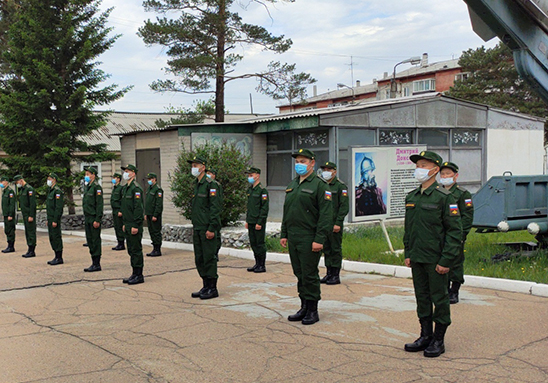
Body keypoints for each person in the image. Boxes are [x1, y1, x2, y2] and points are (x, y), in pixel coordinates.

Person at [403, 151, 462, 358]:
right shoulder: (412, 196)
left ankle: (439, 340)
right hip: (418, 257)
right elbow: (409, 228)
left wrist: (446, 260)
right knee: (422, 298)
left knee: (440, 298)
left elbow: (455, 232)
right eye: (418, 164)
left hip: (437, 260)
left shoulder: (446, 198)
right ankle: (425, 335)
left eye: (424, 165)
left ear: (435, 170)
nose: (419, 168)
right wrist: (408, 252)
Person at [280, 149, 332, 325]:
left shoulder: (320, 186)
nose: (299, 164)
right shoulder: (292, 184)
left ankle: (312, 310)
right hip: (294, 237)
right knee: (299, 273)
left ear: (312, 163)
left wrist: (319, 239)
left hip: (309, 238)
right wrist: (284, 233)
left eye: (303, 161)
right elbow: (287, 211)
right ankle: (303, 306)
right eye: (297, 161)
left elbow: (326, 216)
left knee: (309, 274)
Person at [439, 161, 474, 304]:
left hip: (455, 234)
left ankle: (454, 291)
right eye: (442, 174)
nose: (445, 176)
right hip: (441, 234)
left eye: (448, 173)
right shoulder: (438, 192)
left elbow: (467, 216)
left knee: (456, 262)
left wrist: (461, 234)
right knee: (441, 260)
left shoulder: (462, 193)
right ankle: (444, 289)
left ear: (455, 176)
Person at [188, 156, 222, 300]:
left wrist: (212, 228)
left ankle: (212, 288)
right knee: (200, 258)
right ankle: (205, 285)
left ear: (203, 167)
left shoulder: (211, 185)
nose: (193, 168)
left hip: (207, 228)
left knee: (209, 258)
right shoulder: (197, 184)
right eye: (192, 165)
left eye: (196, 165)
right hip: (198, 227)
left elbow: (215, 208)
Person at [319, 162, 349, 285]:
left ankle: (335, 275)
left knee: (335, 249)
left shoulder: (340, 186)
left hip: (334, 223)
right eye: (324, 169)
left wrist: (338, 222)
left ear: (334, 172)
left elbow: (344, 207)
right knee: (326, 248)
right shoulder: (322, 185)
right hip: (324, 224)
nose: (326, 171)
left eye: (329, 169)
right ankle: (329, 273)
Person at [120, 164, 145, 284]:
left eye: (128, 171)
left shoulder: (136, 188)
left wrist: (136, 224)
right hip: (128, 223)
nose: (125, 173)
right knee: (130, 249)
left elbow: (138, 208)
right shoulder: (125, 188)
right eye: (125, 171)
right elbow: (126, 208)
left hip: (134, 224)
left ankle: (139, 275)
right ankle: (134, 273)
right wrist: (125, 223)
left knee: (136, 250)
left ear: (133, 173)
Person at [245, 167, 269, 273]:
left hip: (258, 222)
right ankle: (257, 263)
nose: (249, 177)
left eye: (251, 175)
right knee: (253, 243)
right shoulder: (250, 189)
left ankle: (262, 265)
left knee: (260, 243)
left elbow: (264, 208)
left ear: (257, 176)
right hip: (251, 221)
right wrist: (247, 220)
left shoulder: (262, 190)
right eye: (249, 175)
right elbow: (249, 207)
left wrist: (260, 222)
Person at [82, 166, 103, 272]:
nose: (86, 176)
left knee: (95, 240)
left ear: (93, 175)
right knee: (90, 240)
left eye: (88, 174)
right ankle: (93, 262)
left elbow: (99, 205)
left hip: (93, 218)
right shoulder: (88, 187)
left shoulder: (96, 187)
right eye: (86, 174)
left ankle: (97, 263)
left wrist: (97, 219)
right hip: (87, 217)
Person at [14, 175, 37, 258]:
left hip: (29, 215)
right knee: (27, 232)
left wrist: (31, 215)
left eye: (17, 182)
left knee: (31, 232)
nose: (17, 184)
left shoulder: (29, 189)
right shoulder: (23, 190)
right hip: (25, 214)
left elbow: (32, 204)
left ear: (21, 180)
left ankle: (32, 250)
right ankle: (29, 249)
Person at [46, 173, 64, 265]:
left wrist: (55, 220)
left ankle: (59, 257)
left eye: (49, 179)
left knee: (56, 237)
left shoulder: (57, 191)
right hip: (50, 218)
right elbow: (49, 207)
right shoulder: (51, 191)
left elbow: (58, 207)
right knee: (52, 237)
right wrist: (48, 219)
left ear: (54, 180)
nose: (48, 180)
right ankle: (56, 256)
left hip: (54, 219)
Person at [206, 168, 223, 260]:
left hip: (214, 213)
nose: (207, 175)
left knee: (216, 233)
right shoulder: (206, 185)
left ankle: (215, 253)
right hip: (207, 214)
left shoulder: (216, 185)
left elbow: (217, 201)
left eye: (209, 173)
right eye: (206, 173)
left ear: (214, 175)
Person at [145, 172, 163, 257]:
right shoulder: (149, 189)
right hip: (149, 214)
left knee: (156, 232)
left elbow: (159, 204)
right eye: (148, 179)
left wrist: (155, 215)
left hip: (154, 215)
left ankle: (157, 249)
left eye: (150, 179)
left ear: (155, 179)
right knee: (151, 231)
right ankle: (154, 248)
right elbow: (147, 202)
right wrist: (146, 213)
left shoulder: (158, 190)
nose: (149, 181)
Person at [110, 173, 125, 251]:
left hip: (118, 210)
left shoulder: (121, 189)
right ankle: (119, 242)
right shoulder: (115, 188)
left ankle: (121, 243)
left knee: (119, 227)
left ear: (118, 179)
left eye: (114, 178)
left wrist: (121, 210)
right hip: (114, 210)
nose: (113, 179)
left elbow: (122, 201)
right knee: (116, 227)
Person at [1, 176, 16, 253]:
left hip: (10, 215)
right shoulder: (5, 191)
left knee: (10, 230)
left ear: (6, 182)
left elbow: (12, 204)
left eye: (2, 182)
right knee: (7, 230)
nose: (1, 184)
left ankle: (11, 246)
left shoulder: (10, 192)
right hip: (6, 215)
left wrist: (10, 214)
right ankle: (9, 245)